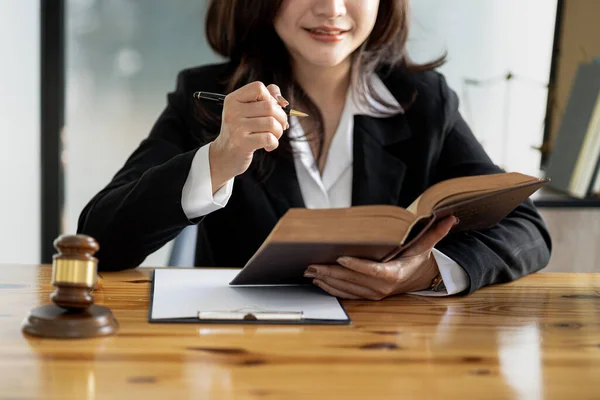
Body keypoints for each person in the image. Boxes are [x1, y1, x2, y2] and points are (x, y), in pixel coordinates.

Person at [78, 0, 551, 299]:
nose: (332, 9)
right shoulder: (207, 96)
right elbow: (99, 241)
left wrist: (427, 271)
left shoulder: (422, 100)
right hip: (244, 357)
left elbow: (527, 229)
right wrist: (219, 158)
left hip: (394, 355)